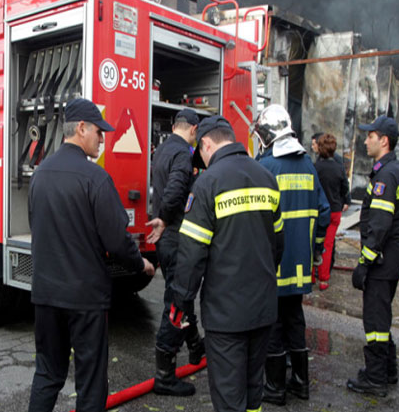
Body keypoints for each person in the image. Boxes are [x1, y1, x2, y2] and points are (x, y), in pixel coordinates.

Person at [27, 98, 155, 412]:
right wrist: (142, 265)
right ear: (81, 128)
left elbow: (38, 227)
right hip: (85, 298)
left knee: (47, 374)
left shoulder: (40, 175)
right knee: (91, 382)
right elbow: (116, 239)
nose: (102, 139)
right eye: (99, 132)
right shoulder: (95, 178)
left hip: (45, 294)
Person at [170, 115, 284, 412]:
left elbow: (191, 255)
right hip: (263, 308)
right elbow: (278, 246)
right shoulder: (266, 178)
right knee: (252, 391)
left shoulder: (207, 183)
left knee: (229, 396)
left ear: (206, 143)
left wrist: (180, 302)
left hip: (226, 314)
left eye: (201, 154)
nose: (203, 161)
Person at [254, 105, 330, 405]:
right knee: (295, 319)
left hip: (272, 264)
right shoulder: (308, 166)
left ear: (268, 135)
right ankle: (300, 383)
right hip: (300, 265)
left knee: (272, 323)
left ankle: (274, 388)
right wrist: (317, 251)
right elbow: (323, 212)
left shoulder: (267, 167)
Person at [346, 115, 399, 397]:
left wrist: (364, 262)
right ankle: (387, 370)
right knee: (382, 316)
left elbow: (380, 225)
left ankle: (375, 379)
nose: (365, 140)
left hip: (382, 260)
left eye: (370, 135)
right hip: (393, 256)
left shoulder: (385, 175)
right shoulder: (396, 169)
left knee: (374, 322)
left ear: (383, 140)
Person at [145, 108, 205, 396]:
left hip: (166, 238)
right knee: (176, 301)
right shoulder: (184, 153)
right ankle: (164, 375)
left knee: (181, 295)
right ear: (193, 130)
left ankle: (195, 347)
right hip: (177, 234)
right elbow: (175, 190)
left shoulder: (164, 149)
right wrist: (167, 218)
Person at [313, 133, 352, 291]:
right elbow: (345, 188)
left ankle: (310, 276)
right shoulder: (339, 167)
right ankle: (324, 279)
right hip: (334, 211)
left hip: (319, 211)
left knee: (313, 242)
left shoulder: (315, 168)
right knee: (327, 245)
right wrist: (345, 202)